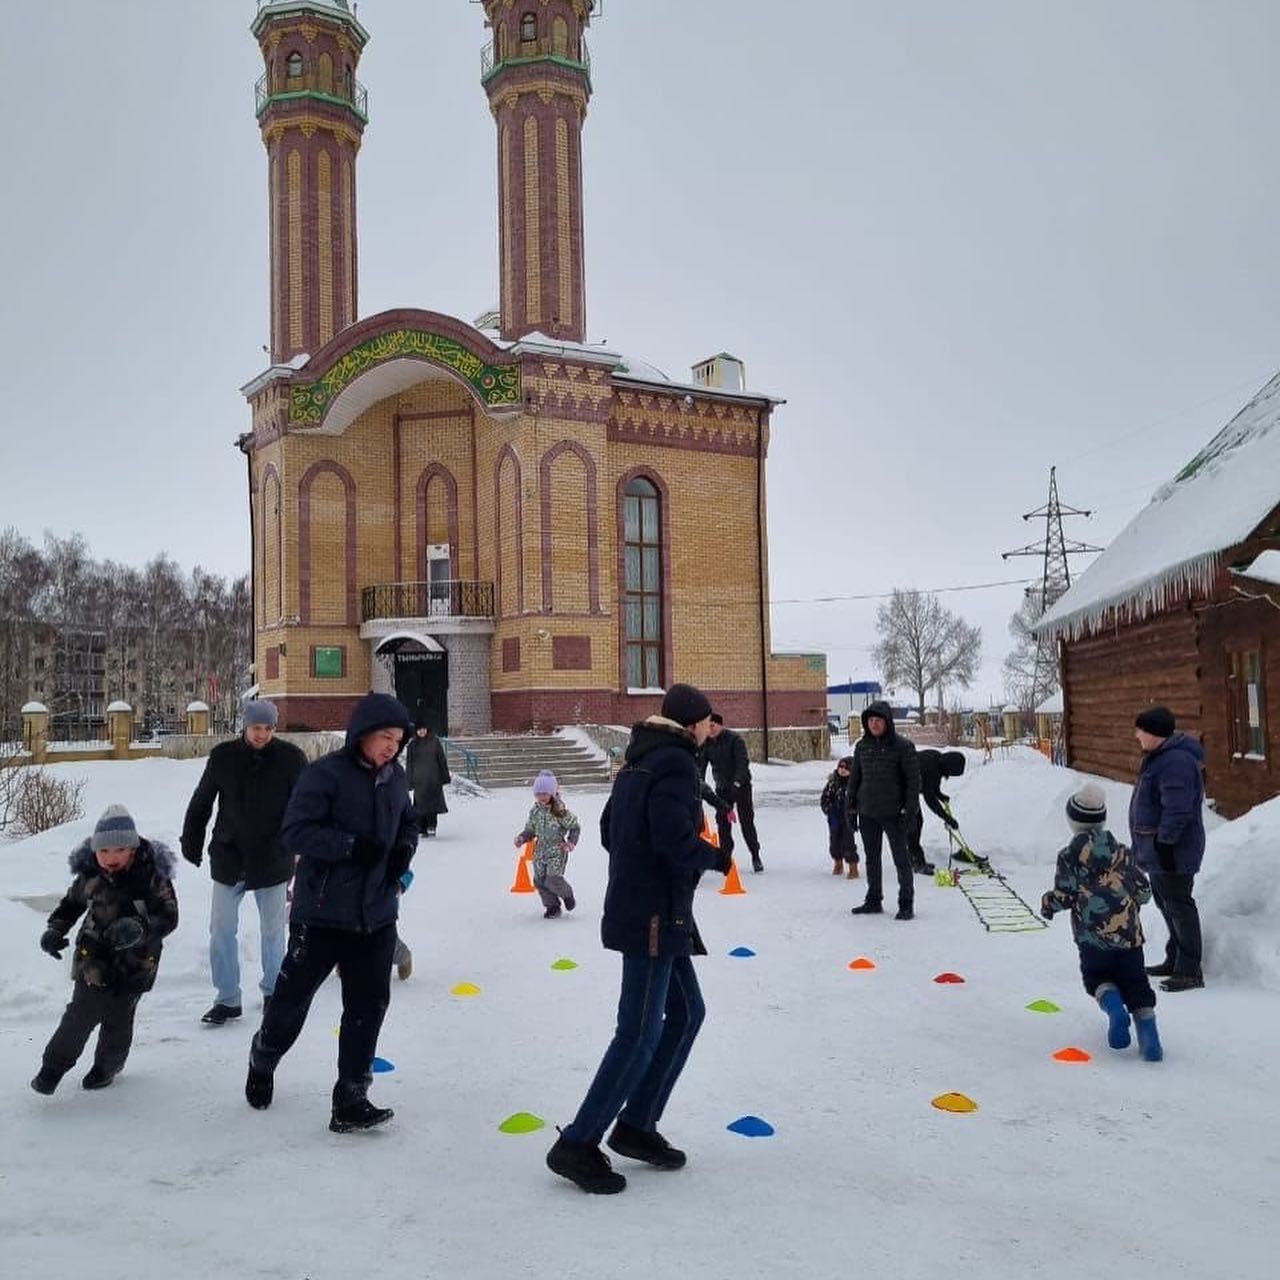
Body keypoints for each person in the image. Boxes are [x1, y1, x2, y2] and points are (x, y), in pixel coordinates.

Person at [546, 682, 733, 1194]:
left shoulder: (638, 761)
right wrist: (714, 857)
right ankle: (578, 1143)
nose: (708, 731)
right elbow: (673, 841)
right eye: (705, 723)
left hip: (656, 912)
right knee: (639, 1032)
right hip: (653, 916)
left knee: (688, 1013)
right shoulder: (675, 763)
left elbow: (612, 830)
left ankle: (636, 1125)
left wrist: (642, 866)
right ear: (692, 724)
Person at [244, 692, 417, 1133]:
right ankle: (264, 1055)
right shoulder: (326, 775)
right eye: (384, 736)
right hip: (321, 913)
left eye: (398, 739)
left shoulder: (395, 778)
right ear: (362, 733)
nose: (391, 747)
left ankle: (351, 1098)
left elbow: (408, 823)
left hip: (376, 914)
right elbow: (295, 832)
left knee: (368, 1004)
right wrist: (349, 847)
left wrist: (402, 854)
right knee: (291, 1002)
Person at [31, 805, 179, 1095]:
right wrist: (55, 929)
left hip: (136, 962)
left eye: (120, 850)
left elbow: (169, 916)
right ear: (95, 851)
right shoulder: (90, 876)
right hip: (94, 958)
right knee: (81, 1013)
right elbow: (70, 904)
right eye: (104, 851)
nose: (111, 858)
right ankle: (53, 1068)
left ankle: (107, 1067)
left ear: (133, 849)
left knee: (119, 1018)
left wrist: (139, 929)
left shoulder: (152, 877)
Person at [181, 698, 307, 1025]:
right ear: (245, 726)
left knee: (273, 934)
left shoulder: (291, 759)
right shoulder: (223, 757)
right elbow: (201, 801)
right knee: (221, 930)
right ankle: (227, 999)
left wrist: (305, 843)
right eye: (256, 728)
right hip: (229, 856)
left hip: (273, 857)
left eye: (268, 728)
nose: (262, 734)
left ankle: (272, 993)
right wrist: (191, 842)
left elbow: (307, 805)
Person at [1041, 783, 1162, 1061]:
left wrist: (1048, 904)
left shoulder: (1069, 857)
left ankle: (1115, 1008)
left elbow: (1065, 895)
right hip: (1129, 937)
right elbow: (1143, 893)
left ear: (1073, 823)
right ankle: (1150, 1037)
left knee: (1097, 978)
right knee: (1137, 983)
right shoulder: (1123, 852)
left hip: (1091, 939)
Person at [1128, 706, 1206, 993]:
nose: (1136, 735)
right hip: (1158, 851)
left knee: (1179, 906)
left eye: (1140, 730)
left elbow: (1179, 808)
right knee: (1166, 904)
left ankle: (1190, 970)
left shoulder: (1175, 762)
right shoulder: (1159, 758)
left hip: (1173, 851)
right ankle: (1175, 959)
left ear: (1154, 733)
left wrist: (1165, 841)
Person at [846, 700, 920, 920]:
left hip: (895, 813)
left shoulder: (903, 747)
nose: (874, 724)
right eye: (870, 720)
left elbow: (913, 782)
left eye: (878, 720)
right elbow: (855, 779)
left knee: (901, 859)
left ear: (887, 722)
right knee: (872, 859)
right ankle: (873, 900)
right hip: (867, 811)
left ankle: (906, 903)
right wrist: (850, 808)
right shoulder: (862, 746)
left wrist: (910, 811)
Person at [514, 770, 581, 919]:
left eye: (545, 793)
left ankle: (567, 894)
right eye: (539, 794)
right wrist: (522, 838)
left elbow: (575, 826)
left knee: (553, 879)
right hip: (540, 851)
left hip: (557, 850)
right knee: (540, 881)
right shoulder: (535, 812)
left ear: (552, 793)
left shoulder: (559, 810)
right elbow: (531, 830)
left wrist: (571, 842)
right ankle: (552, 907)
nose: (542, 797)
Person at [704, 712, 763, 873]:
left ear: (720, 725)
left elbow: (742, 763)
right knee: (723, 825)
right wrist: (699, 785)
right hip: (722, 789)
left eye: (712, 726)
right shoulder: (707, 744)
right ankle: (726, 858)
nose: (710, 729)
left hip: (741, 787)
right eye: (707, 726)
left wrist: (737, 783)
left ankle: (755, 855)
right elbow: (701, 767)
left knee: (746, 822)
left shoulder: (734, 740)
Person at [906, 749, 967, 875]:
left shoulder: (936, 758)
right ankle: (916, 862)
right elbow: (930, 799)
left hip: (909, 787)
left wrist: (940, 795)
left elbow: (932, 785)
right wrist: (947, 818)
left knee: (916, 822)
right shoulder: (931, 768)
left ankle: (913, 858)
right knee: (914, 823)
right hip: (900, 788)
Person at [406, 722, 450, 838]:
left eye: (423, 729)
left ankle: (432, 826)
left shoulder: (434, 743)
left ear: (427, 730)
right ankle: (422, 828)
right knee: (420, 806)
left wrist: (444, 776)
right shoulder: (413, 745)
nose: (421, 732)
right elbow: (409, 763)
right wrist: (409, 780)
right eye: (419, 730)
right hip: (419, 780)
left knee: (432, 806)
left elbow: (441, 760)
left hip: (433, 779)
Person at [819, 756, 859, 878]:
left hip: (848, 818)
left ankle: (852, 865)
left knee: (848, 842)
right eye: (840, 767)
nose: (842, 770)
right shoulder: (832, 783)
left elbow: (858, 800)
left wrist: (853, 811)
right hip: (834, 818)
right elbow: (824, 798)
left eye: (846, 768)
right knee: (834, 841)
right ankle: (838, 862)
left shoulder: (853, 785)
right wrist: (828, 809)